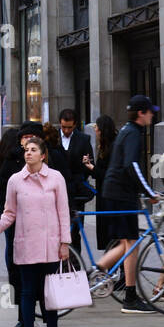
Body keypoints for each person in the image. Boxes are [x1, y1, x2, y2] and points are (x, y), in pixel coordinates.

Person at [0, 134, 71, 327]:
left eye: (34, 149)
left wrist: (65, 242)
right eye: (26, 149)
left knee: (50, 294)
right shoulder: (15, 180)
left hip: (51, 245)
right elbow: (9, 213)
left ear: (43, 155)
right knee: (27, 293)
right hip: (26, 244)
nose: (28, 152)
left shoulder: (56, 178)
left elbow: (63, 212)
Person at [93, 95, 161, 313]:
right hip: (121, 194)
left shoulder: (127, 131)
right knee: (131, 243)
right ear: (141, 113)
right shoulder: (133, 133)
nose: (152, 114)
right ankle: (127, 295)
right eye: (150, 111)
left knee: (130, 243)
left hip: (118, 193)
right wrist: (149, 191)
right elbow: (132, 166)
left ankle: (123, 289)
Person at [57, 108, 94, 252]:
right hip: (57, 190)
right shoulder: (53, 137)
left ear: (75, 125)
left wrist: (85, 165)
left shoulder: (83, 139)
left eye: (69, 127)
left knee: (75, 231)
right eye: (63, 127)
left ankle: (75, 266)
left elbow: (90, 164)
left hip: (76, 192)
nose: (66, 130)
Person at [92, 114, 118, 252]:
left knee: (111, 234)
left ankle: (116, 268)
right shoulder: (105, 145)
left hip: (109, 197)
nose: (95, 130)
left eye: (96, 127)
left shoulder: (112, 146)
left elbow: (108, 173)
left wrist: (92, 168)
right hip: (104, 195)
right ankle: (112, 268)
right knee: (108, 235)